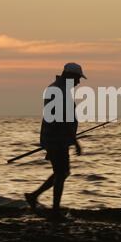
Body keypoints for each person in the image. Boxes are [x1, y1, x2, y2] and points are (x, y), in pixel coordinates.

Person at [25, 63, 86, 218]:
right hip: (57, 139)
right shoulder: (59, 91)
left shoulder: (58, 89)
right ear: (70, 76)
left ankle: (35, 197)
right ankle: (54, 210)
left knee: (61, 173)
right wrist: (76, 142)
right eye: (78, 78)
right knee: (62, 173)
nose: (79, 82)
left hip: (56, 138)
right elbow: (62, 121)